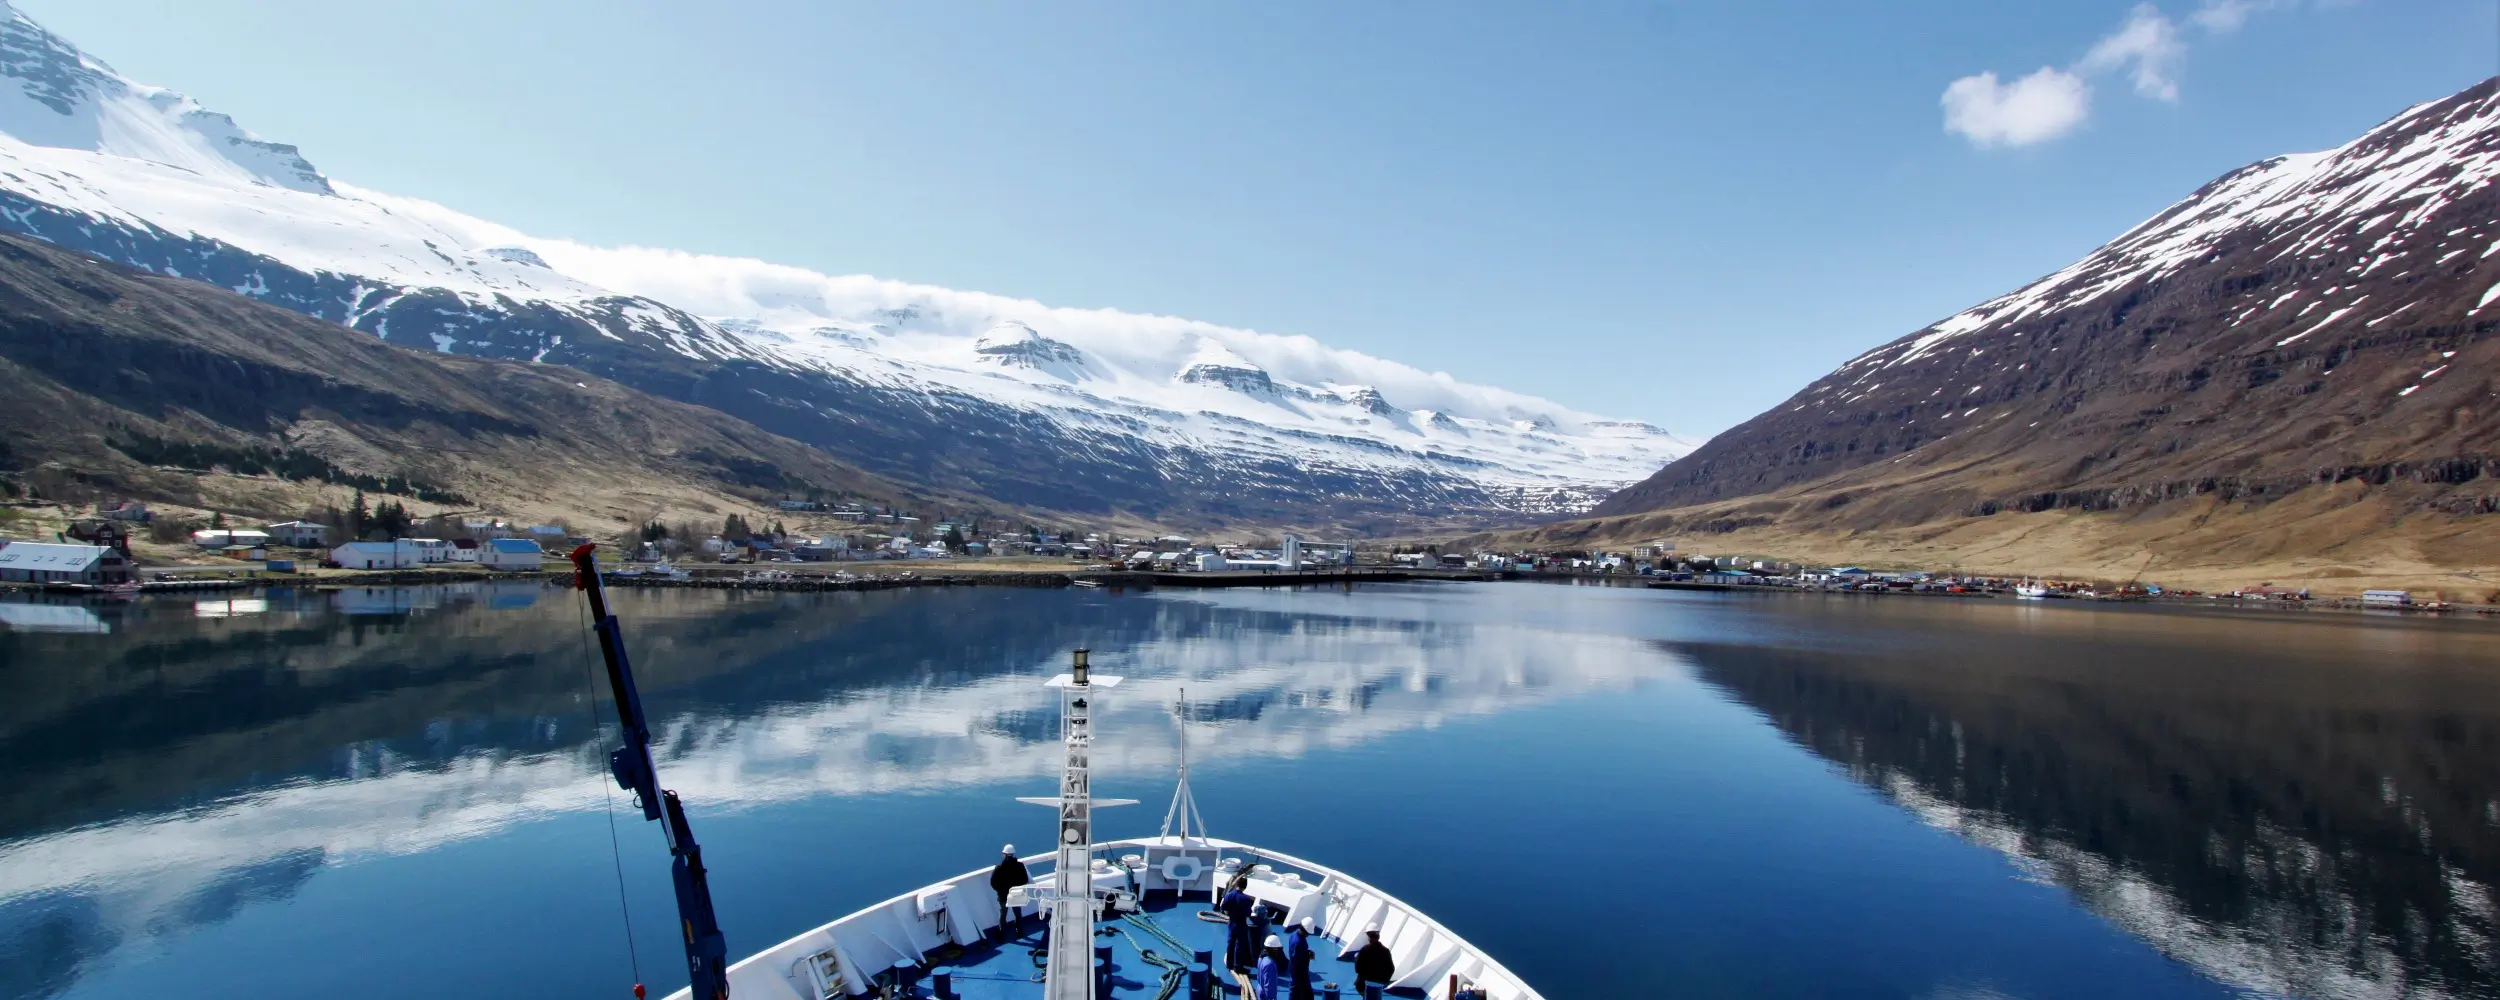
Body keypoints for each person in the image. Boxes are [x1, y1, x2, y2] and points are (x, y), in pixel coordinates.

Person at [988, 844, 1029, 939]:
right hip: (1016, 894)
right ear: (1013, 854)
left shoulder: (999, 868)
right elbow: (1025, 880)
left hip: (1003, 896)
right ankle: (1019, 931)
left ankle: (1001, 934)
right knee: (1018, 913)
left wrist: (1000, 890)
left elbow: (993, 882)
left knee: (1003, 915)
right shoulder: (1020, 866)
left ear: (1005, 855)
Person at [1218, 873, 1257, 972]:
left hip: (1232, 923)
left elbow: (1223, 908)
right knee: (1239, 945)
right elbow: (1248, 913)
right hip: (1241, 924)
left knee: (1230, 943)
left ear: (1236, 885)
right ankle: (1237, 966)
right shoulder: (1246, 900)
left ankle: (1229, 964)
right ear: (1245, 887)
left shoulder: (1229, 896)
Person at [1353, 923, 1395, 1000]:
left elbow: (1357, 968)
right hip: (1379, 983)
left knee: (1360, 987)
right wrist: (1383, 981)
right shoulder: (1386, 951)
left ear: (1368, 937)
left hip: (1363, 983)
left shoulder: (1364, 950)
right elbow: (1391, 969)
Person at [1284, 917, 1316, 1000]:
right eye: (1307, 933)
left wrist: (1307, 952)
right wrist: (1307, 955)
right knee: (1295, 993)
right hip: (1298, 972)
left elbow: (1297, 954)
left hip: (1298, 969)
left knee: (1307, 993)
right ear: (1304, 930)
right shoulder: (1298, 942)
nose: (1308, 935)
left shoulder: (1294, 934)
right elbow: (1296, 958)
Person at [1253, 934, 1286, 1000]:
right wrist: (1271, 998)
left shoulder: (1261, 956)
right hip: (1266, 996)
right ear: (1274, 949)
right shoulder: (1270, 963)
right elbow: (1268, 985)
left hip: (1260, 990)